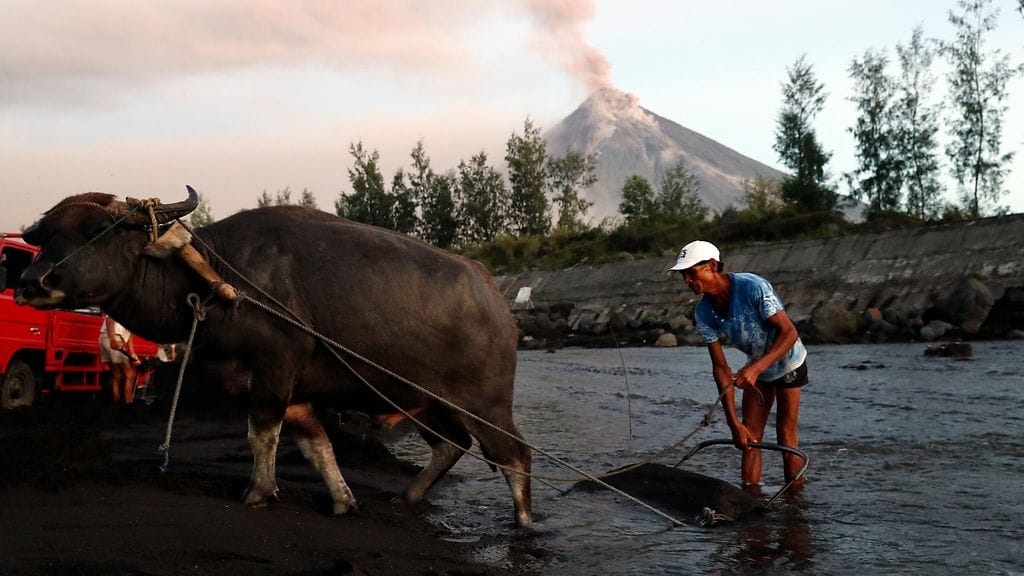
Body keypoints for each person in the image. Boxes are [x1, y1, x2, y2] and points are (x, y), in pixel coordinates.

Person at [671, 240, 808, 488]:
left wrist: (755, 369)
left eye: (691, 272)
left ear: (712, 266)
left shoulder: (752, 286)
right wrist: (733, 424)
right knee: (748, 438)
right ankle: (751, 501)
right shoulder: (703, 313)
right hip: (758, 369)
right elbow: (720, 368)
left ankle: (795, 503)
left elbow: (789, 332)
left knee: (786, 436)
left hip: (788, 361)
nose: (687, 281)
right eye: (683, 275)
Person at [99, 315, 140, 404]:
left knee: (117, 375)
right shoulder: (122, 308)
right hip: (114, 339)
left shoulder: (132, 320)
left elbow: (130, 338)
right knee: (130, 374)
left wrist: (133, 354)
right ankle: (128, 403)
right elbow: (110, 319)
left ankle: (116, 403)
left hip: (105, 339)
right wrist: (113, 340)